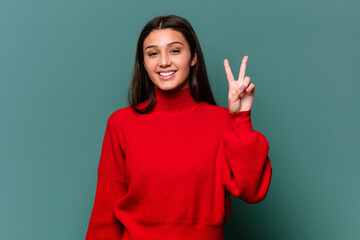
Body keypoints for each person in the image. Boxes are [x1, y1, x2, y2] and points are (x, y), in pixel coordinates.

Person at [85, 15, 272, 240]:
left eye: (174, 50)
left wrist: (240, 117)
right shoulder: (121, 123)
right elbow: (104, 214)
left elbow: (252, 190)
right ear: (143, 63)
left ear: (193, 57)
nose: (164, 61)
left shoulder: (222, 121)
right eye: (153, 53)